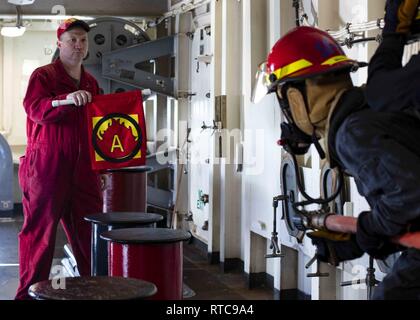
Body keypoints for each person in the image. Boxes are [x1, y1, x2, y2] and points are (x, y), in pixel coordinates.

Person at [252, 0, 420, 300]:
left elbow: (409, 197)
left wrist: (368, 231)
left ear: (297, 98)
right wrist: (358, 240)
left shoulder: (352, 134)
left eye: (284, 102)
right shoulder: (371, 108)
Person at [16, 18, 103, 299]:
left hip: (84, 170)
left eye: (83, 40)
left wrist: (100, 167)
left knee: (91, 234)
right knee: (40, 236)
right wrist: (66, 99)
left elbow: (96, 128)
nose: (78, 45)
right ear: (59, 44)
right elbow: (35, 108)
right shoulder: (44, 76)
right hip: (46, 169)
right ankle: (28, 294)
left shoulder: (91, 82)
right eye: (72, 40)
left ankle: (93, 291)